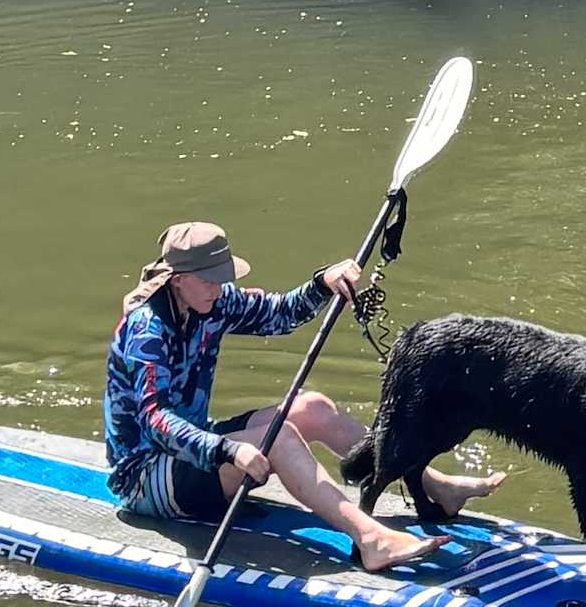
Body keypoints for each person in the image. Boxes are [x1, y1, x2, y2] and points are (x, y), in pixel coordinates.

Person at [104, 218, 424, 577]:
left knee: (313, 408)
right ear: (178, 281)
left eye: (223, 278)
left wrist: (323, 284)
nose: (219, 288)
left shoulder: (213, 300)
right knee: (281, 440)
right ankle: (371, 539)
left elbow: (279, 314)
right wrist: (229, 450)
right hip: (146, 477)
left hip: (193, 451)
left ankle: (429, 485)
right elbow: (155, 420)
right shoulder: (147, 329)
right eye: (210, 280)